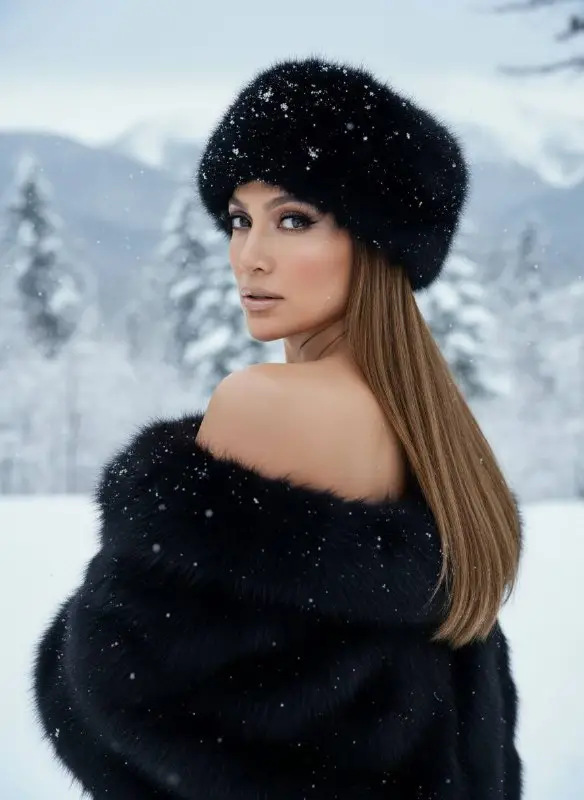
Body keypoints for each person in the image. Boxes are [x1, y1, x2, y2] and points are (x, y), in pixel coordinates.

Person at [32, 56, 523, 799]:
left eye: (293, 219)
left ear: (376, 242)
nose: (249, 256)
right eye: (239, 218)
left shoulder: (266, 405)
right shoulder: (432, 432)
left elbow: (112, 697)